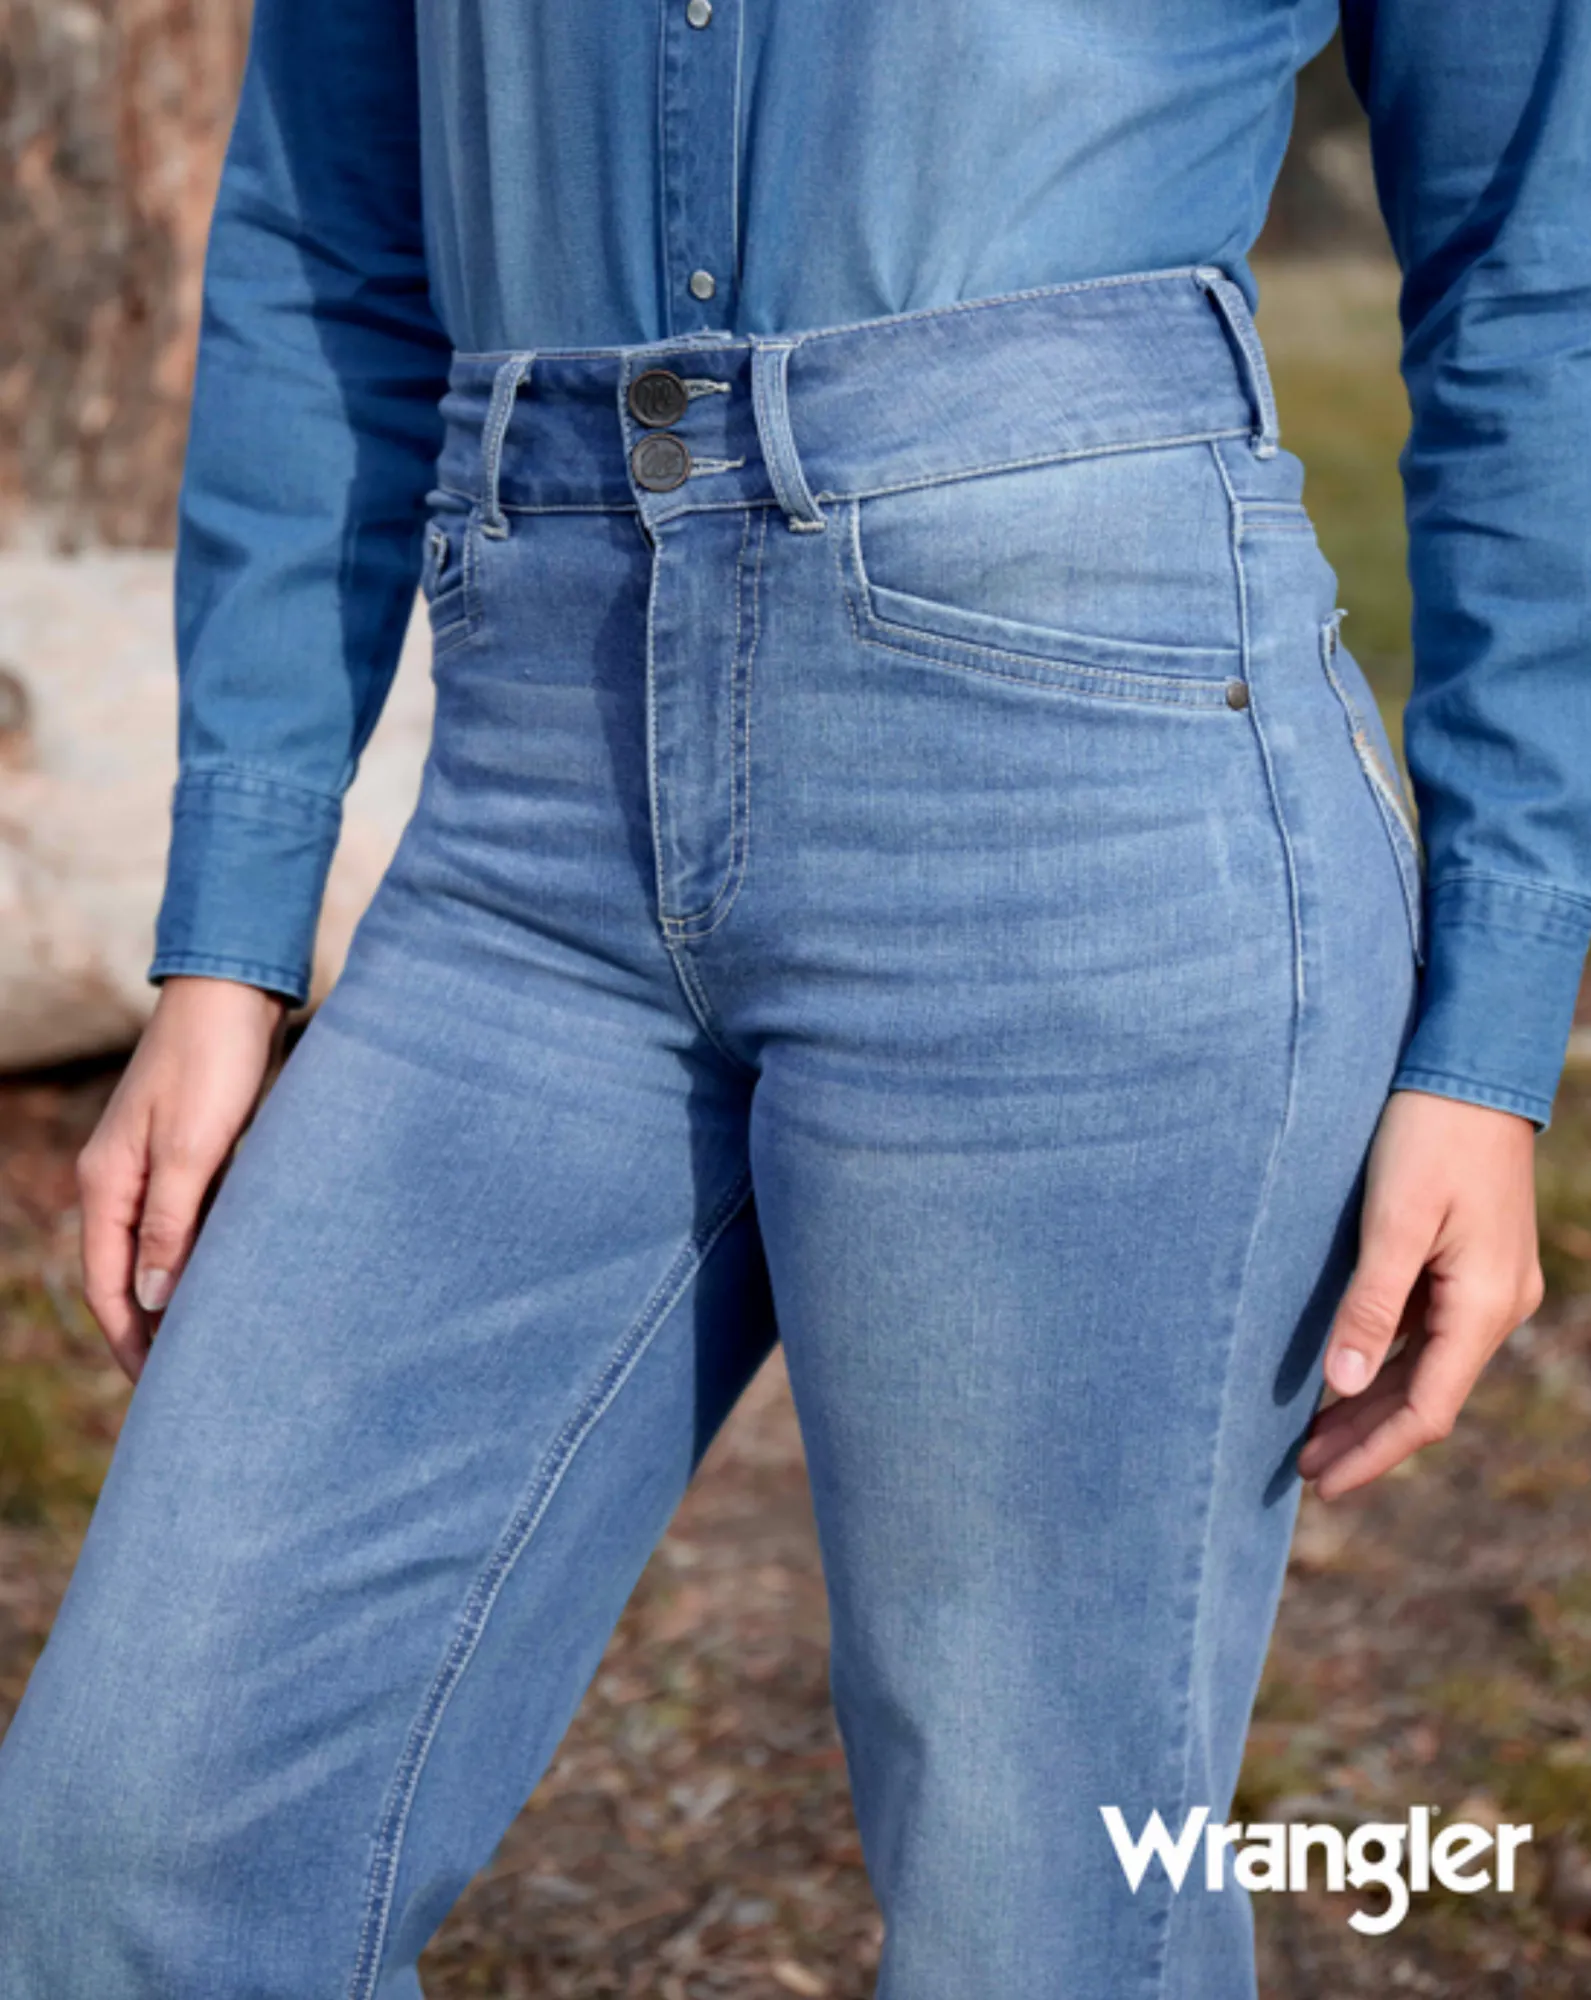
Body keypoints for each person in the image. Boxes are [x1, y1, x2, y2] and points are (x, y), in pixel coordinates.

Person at [0, 2, 1583, 1994]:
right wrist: (227, 938)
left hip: (1085, 793)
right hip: (530, 819)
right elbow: (329, 225)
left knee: (1042, 1921)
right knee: (129, 1849)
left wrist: (1491, 1022)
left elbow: (1535, 269)